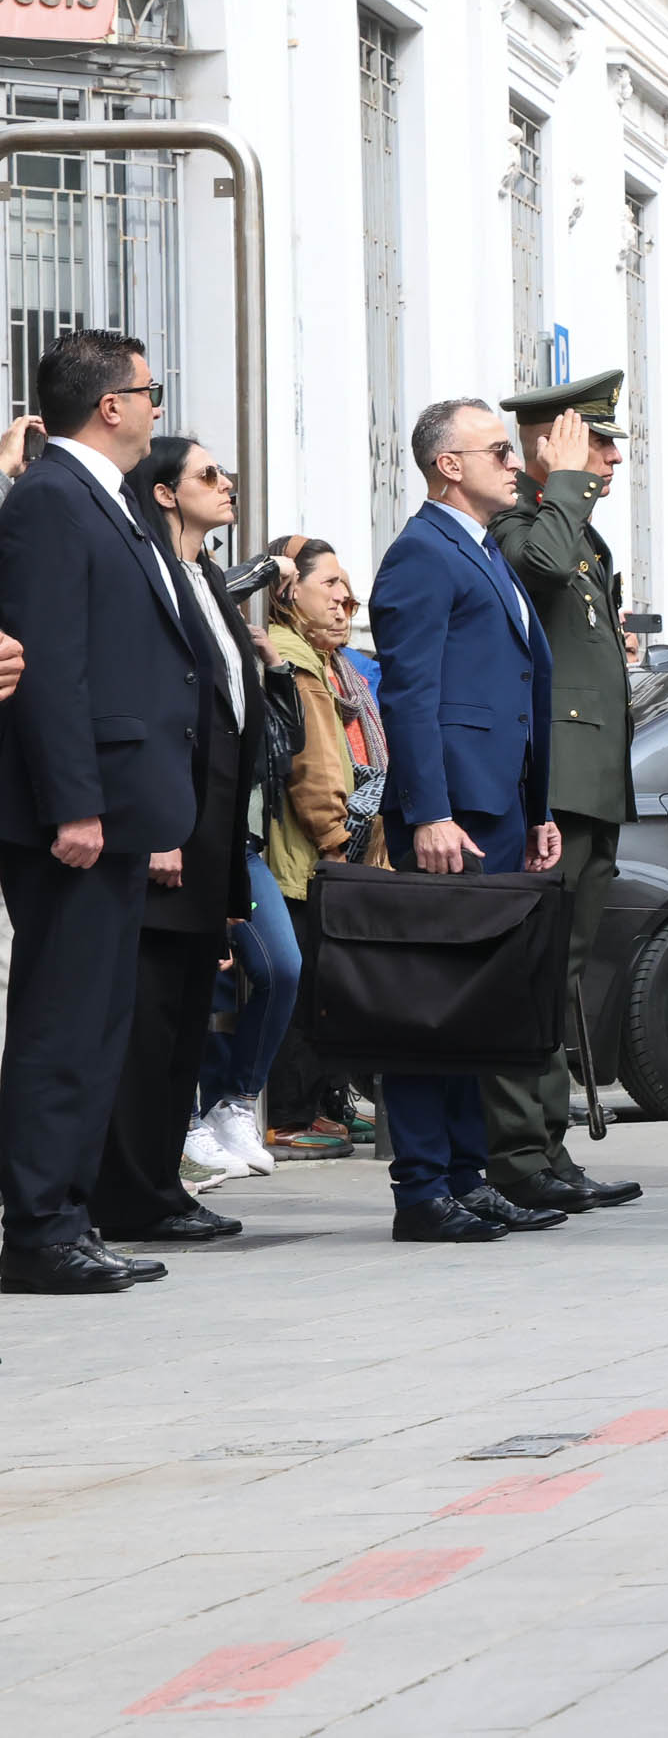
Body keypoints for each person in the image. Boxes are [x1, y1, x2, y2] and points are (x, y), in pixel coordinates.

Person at [369, 397, 571, 1245]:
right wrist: (430, 812)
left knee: (472, 1005)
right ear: (447, 464)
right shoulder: (422, 553)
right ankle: (422, 1187)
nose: (515, 463)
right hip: (450, 816)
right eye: (498, 450)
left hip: (498, 809)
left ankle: (465, 1174)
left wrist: (537, 808)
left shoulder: (482, 549)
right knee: (430, 1004)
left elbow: (515, 689)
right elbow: (410, 694)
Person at [0, 326, 168, 1294]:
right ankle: (37, 1229)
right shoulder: (53, 498)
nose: (156, 407)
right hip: (73, 814)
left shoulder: (105, 498)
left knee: (98, 1023)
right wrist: (73, 801)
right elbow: (48, 663)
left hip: (117, 805)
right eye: (149, 391)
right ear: (111, 405)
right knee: (61, 1024)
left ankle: (70, 1212)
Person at [482, 373, 643, 1215]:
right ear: (555, 446)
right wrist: (567, 481)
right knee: (537, 971)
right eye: (597, 443)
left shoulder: (573, 527)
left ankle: (545, 1146)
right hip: (557, 786)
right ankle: (518, 1153)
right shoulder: (520, 522)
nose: (611, 461)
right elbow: (539, 564)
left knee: (562, 973)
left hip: (592, 783)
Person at [90, 435, 256, 1249]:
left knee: (187, 1018)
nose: (227, 486)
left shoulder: (208, 577)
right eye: (208, 475)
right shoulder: (150, 574)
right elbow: (151, 704)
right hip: (167, 826)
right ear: (163, 491)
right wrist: (157, 823)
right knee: (148, 1021)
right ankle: (129, 1191)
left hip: (213, 827)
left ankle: (162, 1185)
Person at [250, 534, 381, 1161]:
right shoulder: (295, 660)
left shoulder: (331, 662)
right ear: (287, 592)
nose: (344, 599)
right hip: (307, 855)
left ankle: (322, 1104)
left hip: (325, 853)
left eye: (346, 587)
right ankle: (289, 1116)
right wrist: (337, 838)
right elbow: (314, 764)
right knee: (301, 985)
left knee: (324, 986)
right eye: (329, 584)